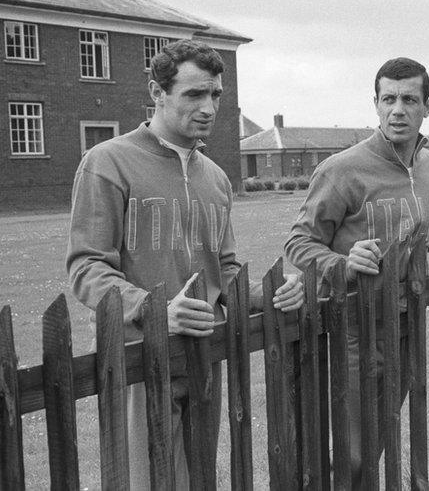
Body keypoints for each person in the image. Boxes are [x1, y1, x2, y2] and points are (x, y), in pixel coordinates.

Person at [66, 39, 304, 488]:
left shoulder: (214, 176)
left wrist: (270, 290)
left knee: (198, 478)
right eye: (194, 94)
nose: (209, 107)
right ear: (157, 92)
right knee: (147, 479)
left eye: (215, 94)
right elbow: (86, 267)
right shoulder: (107, 162)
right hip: (140, 358)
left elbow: (225, 268)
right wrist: (153, 308)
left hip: (205, 353)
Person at [284, 57, 429, 486]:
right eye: (388, 99)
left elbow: (407, 234)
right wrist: (342, 263)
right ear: (375, 104)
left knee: (379, 438)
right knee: (350, 452)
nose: (398, 110)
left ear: (428, 106)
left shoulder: (426, 165)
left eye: (409, 99)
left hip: (406, 321)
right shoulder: (342, 169)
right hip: (354, 328)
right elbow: (298, 242)